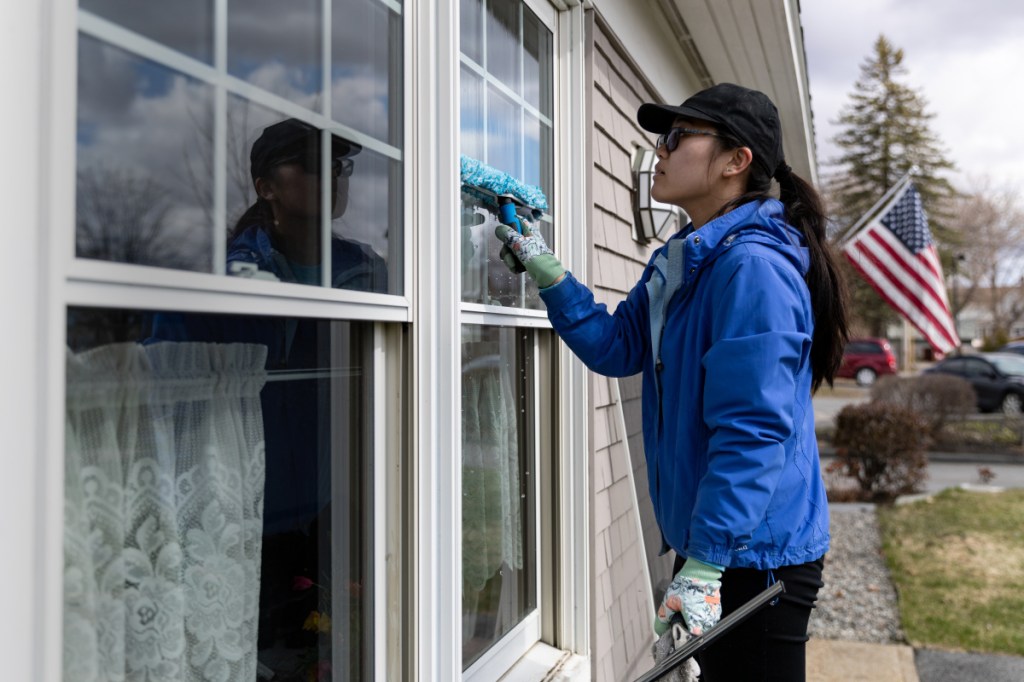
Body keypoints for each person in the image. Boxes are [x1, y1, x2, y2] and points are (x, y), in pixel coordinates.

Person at [494, 82, 848, 681]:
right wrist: (542, 264)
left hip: (753, 553)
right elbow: (616, 346)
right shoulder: (686, 257)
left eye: (679, 137)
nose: (660, 150)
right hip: (713, 539)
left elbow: (754, 429)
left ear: (736, 162)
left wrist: (707, 562)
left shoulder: (752, 270)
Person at [228, 117, 388, 293]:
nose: (331, 174)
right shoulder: (239, 272)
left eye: (337, 165)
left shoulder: (366, 266)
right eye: (313, 162)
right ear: (266, 188)